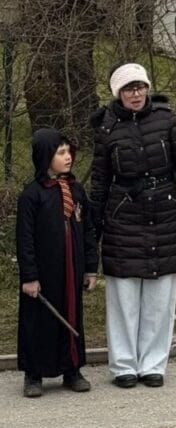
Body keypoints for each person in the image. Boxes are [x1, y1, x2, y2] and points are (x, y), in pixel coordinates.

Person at [89, 63, 176, 388]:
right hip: (123, 216)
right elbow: (100, 181)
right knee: (124, 296)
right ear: (118, 93)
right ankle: (123, 365)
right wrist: (93, 226)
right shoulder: (106, 127)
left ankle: (153, 363)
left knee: (161, 297)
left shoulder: (166, 119)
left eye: (140, 87)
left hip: (165, 213)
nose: (136, 94)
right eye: (129, 89)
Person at [16, 129, 98, 398]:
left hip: (72, 268)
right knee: (39, 320)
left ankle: (71, 369)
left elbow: (88, 230)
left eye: (68, 152)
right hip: (43, 272)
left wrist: (90, 268)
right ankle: (34, 373)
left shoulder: (76, 190)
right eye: (60, 152)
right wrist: (29, 276)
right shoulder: (32, 195)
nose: (68, 157)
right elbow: (25, 239)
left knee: (71, 314)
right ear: (45, 157)